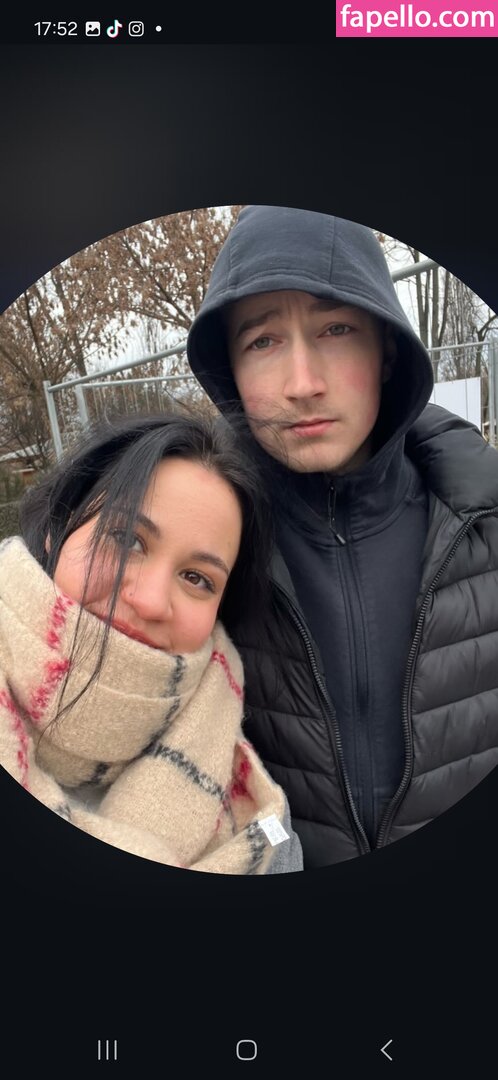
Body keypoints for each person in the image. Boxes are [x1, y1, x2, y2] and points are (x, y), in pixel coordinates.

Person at [186, 204, 498, 870]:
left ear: (388, 350)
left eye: (336, 329)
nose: (303, 385)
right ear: (228, 370)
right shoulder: (189, 547)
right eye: (262, 341)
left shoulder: (484, 523)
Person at [0, 410, 303, 874]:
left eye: (197, 578)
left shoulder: (256, 820)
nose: (151, 601)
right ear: (57, 529)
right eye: (126, 539)